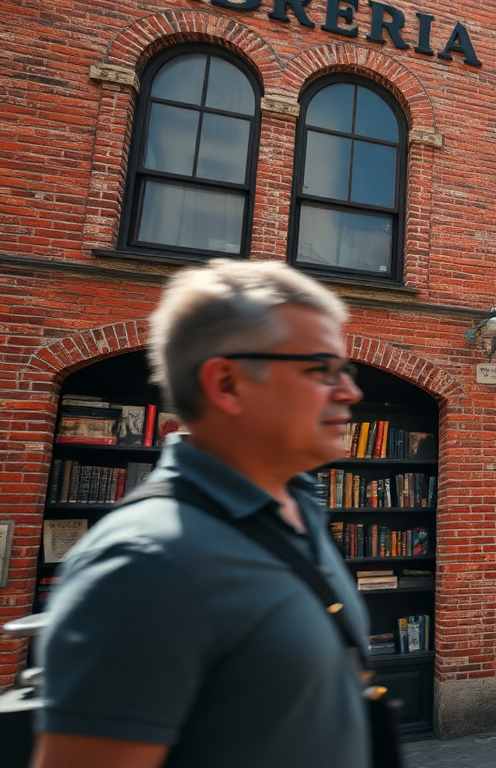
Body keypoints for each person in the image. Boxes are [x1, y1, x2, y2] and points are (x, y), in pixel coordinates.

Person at [33, 260, 371, 768]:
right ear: (228, 383)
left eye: (345, 370)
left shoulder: (300, 505)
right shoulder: (144, 566)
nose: (350, 392)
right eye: (320, 369)